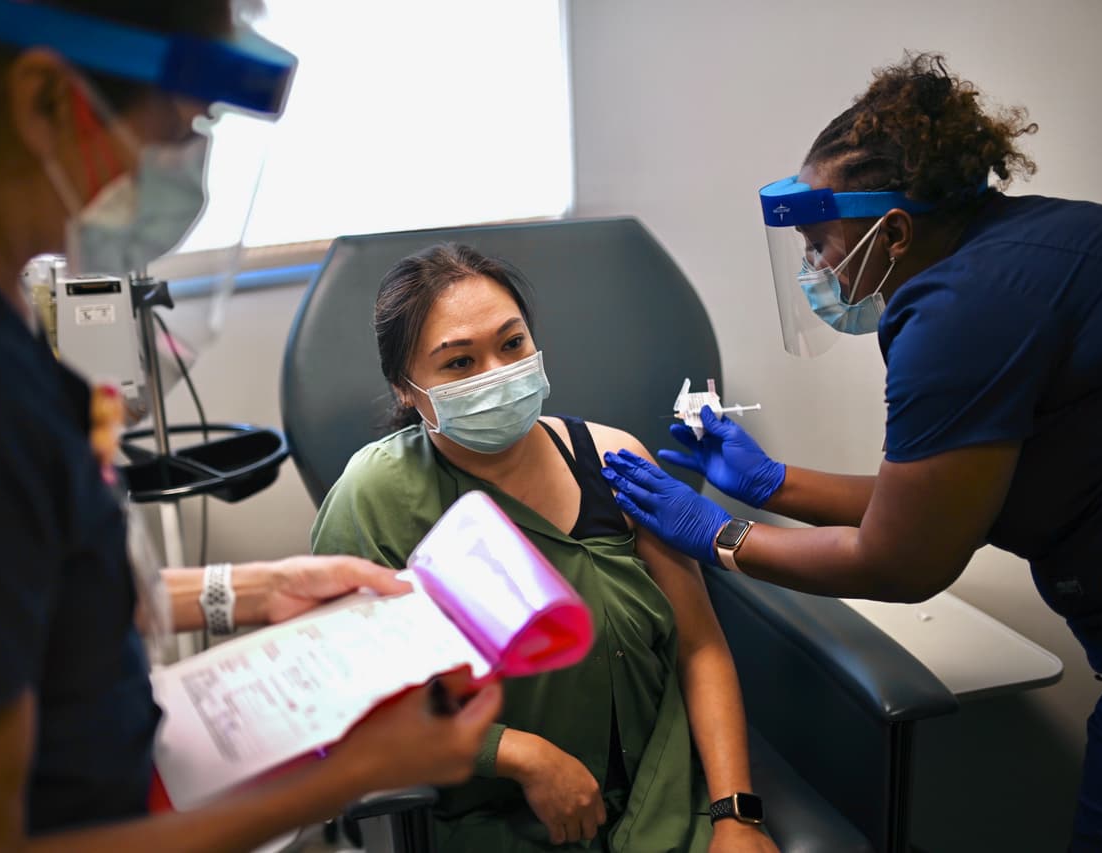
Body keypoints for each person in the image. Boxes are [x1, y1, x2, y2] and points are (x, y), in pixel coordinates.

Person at [0, 1, 501, 850]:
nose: (189, 155)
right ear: (46, 102)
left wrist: (255, 589)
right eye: (186, 120)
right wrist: (344, 774)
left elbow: (10, 603)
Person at [602, 52, 1102, 852]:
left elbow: (904, 561)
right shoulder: (1033, 246)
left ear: (892, 230)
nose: (816, 267)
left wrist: (720, 535)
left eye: (820, 244)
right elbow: (935, 497)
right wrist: (772, 482)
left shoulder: (962, 312)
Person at [311, 243, 778, 853]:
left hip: (667, 797)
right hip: (497, 820)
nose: (497, 375)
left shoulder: (613, 462)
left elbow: (699, 647)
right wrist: (519, 755)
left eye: (511, 345)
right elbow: (349, 687)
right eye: (458, 363)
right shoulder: (375, 497)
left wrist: (735, 816)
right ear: (406, 389)